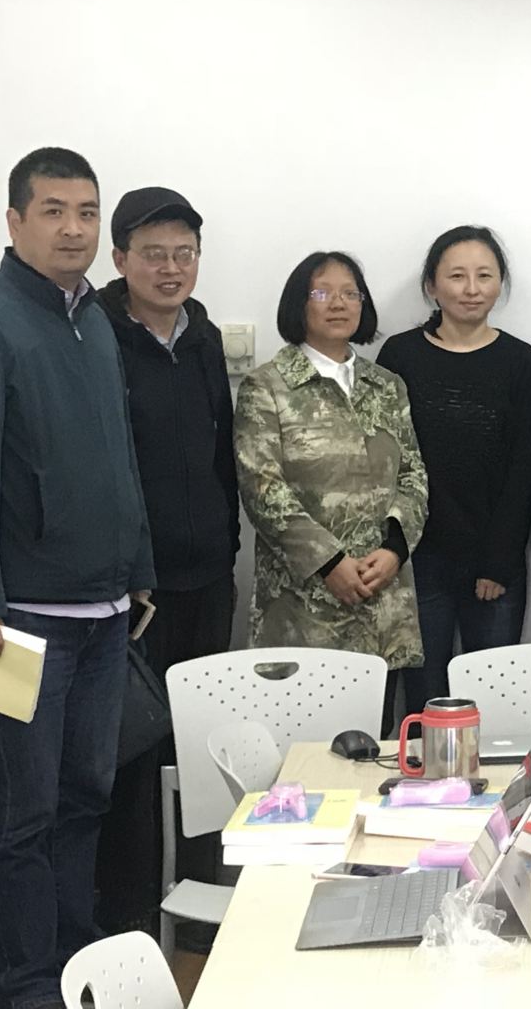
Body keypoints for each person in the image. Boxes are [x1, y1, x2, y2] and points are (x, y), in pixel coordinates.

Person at [0, 147, 154, 1009]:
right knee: (23, 814)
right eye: (53, 211)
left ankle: (73, 965)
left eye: (87, 212)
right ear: (15, 220)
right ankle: (23, 986)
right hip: (13, 620)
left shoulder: (93, 319)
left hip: (102, 612)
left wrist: (138, 567)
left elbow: (118, 457)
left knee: (85, 798)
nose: (73, 229)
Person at [94, 186, 239, 934]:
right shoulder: (93, 337)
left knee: (205, 762)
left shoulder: (204, 338)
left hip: (207, 581)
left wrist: (228, 545)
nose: (171, 268)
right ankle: (130, 934)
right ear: (121, 259)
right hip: (134, 594)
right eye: (154, 254)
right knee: (132, 765)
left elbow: (221, 457)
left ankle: (200, 926)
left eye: (185, 253)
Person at [234, 251, 427, 733]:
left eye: (350, 293)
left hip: (381, 600)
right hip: (303, 608)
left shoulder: (387, 386)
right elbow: (262, 489)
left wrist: (394, 549)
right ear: (298, 304)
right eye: (322, 292)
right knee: (303, 752)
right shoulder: (267, 386)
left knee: (374, 748)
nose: (338, 303)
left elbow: (413, 476)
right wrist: (329, 563)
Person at [377, 226, 531, 707]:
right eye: (457, 276)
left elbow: (524, 468)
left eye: (484, 276)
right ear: (432, 285)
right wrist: (397, 546)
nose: (472, 289)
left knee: (490, 700)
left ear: (500, 284)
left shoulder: (519, 360)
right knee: (423, 698)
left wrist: (499, 560)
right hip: (415, 558)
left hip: (493, 558)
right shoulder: (400, 355)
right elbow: (386, 460)